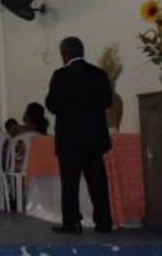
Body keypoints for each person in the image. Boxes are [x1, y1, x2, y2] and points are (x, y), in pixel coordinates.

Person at [45, 36, 114, 234]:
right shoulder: (98, 74)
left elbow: (52, 104)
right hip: (94, 137)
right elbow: (107, 102)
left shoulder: (60, 75)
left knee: (70, 183)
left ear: (64, 54)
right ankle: (104, 222)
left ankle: (72, 222)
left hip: (69, 139)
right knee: (98, 182)